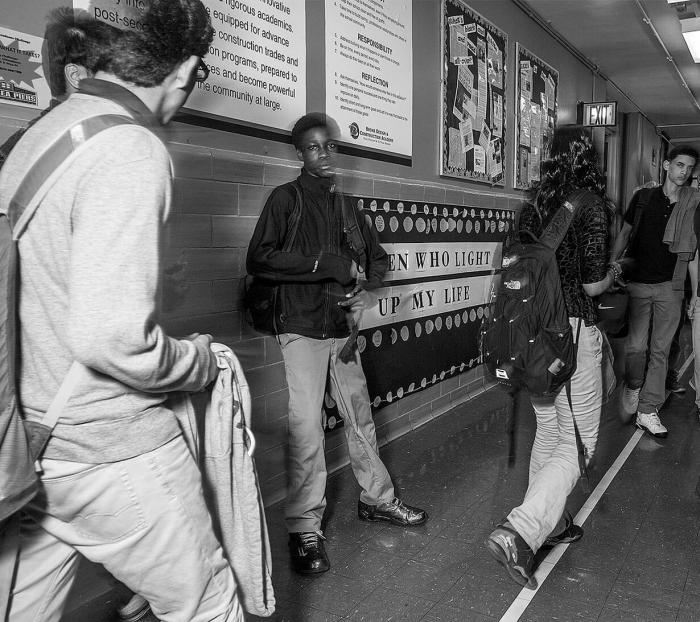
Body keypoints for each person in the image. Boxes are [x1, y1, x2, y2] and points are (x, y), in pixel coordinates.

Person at [0, 2, 243, 621]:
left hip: (28, 445)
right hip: (110, 448)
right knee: (207, 606)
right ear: (185, 68)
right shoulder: (130, 146)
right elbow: (111, 339)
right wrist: (197, 363)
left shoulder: (39, 135)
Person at [246, 112, 427, 575]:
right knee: (306, 428)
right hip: (301, 328)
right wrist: (325, 265)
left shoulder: (347, 208)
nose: (323, 155)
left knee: (359, 417)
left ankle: (377, 499)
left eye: (330, 147)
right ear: (299, 153)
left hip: (342, 332)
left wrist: (369, 289)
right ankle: (304, 527)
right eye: (313, 147)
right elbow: (260, 259)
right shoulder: (284, 200)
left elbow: (380, 262)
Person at [486, 128, 612, 589]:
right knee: (579, 442)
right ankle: (521, 530)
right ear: (588, 159)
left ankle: (550, 524)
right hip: (571, 332)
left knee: (551, 429)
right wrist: (616, 268)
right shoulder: (591, 205)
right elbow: (594, 285)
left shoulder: (530, 204)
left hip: (529, 338)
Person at [611, 146, 699, 438]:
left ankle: (648, 410)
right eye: (679, 165)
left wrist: (694, 294)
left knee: (660, 351)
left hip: (670, 287)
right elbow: (624, 233)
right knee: (637, 347)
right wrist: (612, 266)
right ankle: (634, 386)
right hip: (637, 284)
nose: (684, 172)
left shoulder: (691, 205)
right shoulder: (643, 198)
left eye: (689, 168)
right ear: (666, 165)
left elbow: (693, 254)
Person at [0, 7, 119, 169]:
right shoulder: (75, 137)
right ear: (75, 76)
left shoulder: (31, 138)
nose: (120, 84)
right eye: (109, 71)